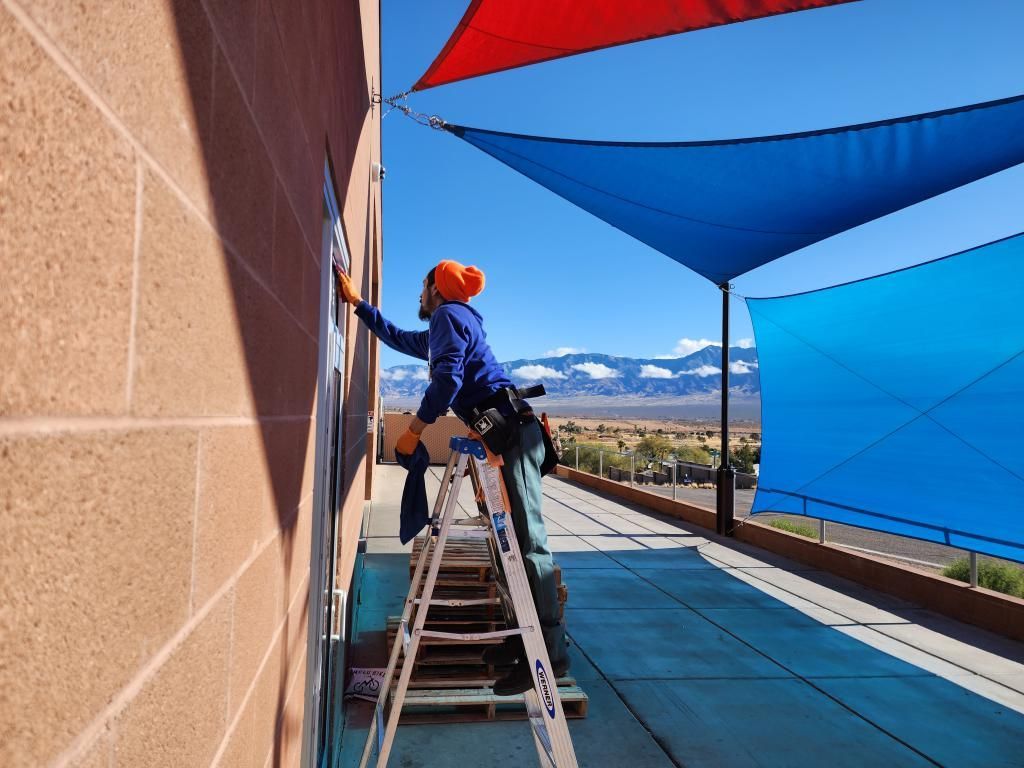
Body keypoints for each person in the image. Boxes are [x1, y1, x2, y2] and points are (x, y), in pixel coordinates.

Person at [336, 259, 569, 695]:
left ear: (436, 289)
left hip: (515, 436)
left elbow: (446, 379)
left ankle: (549, 656)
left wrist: (413, 431)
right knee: (508, 548)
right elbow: (404, 339)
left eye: (423, 287)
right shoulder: (452, 320)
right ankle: (521, 645)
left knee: (527, 542)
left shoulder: (447, 316)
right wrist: (359, 306)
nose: (419, 297)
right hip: (504, 437)